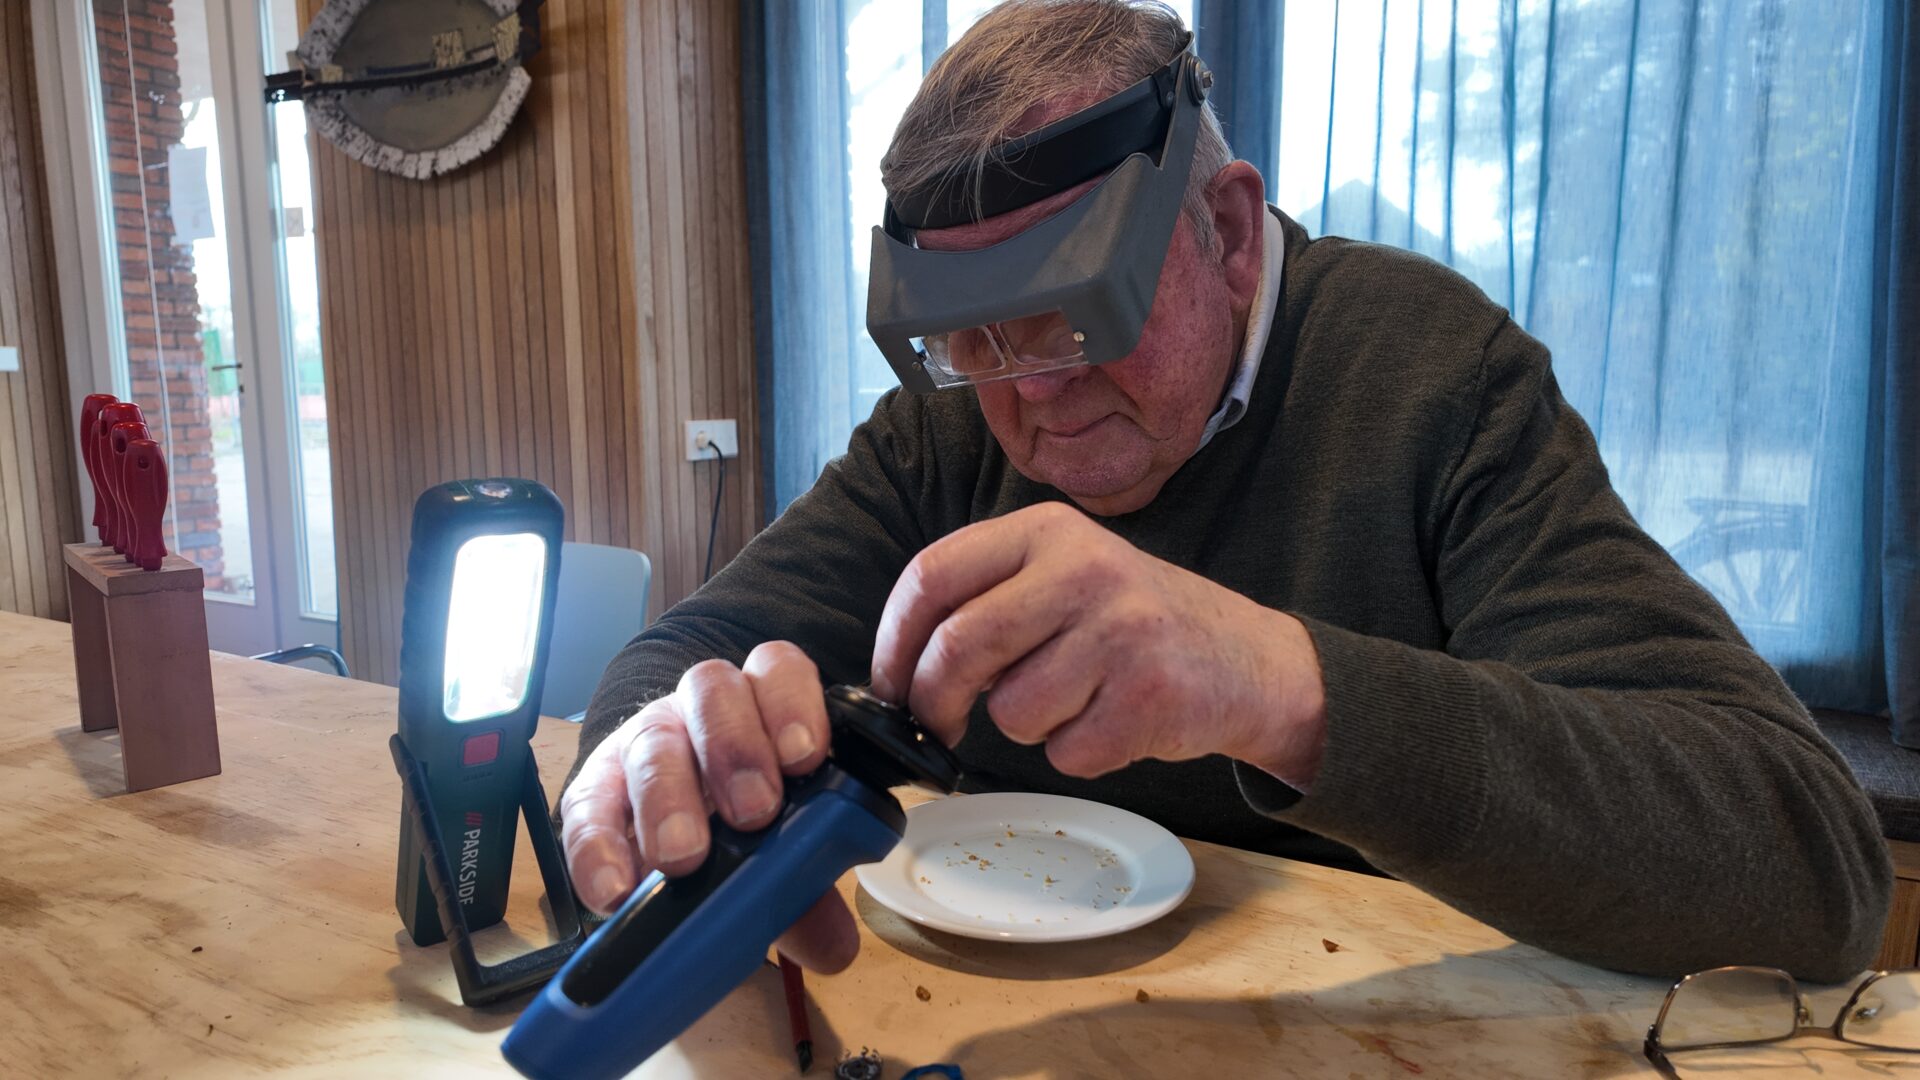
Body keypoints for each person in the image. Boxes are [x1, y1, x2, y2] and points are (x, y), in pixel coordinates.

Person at [558, 0, 1889, 984]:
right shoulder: (947, 431)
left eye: (1076, 314)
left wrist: (1277, 686)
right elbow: (687, 651)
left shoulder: (1435, 380)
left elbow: (1814, 868)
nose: (1028, 396)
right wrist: (651, 759)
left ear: (1231, 233)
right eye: (971, 341)